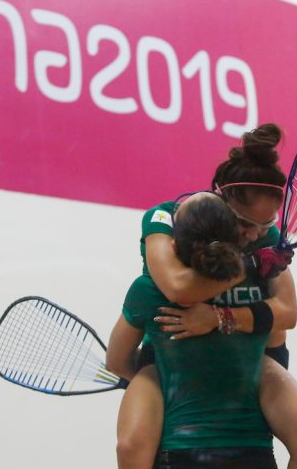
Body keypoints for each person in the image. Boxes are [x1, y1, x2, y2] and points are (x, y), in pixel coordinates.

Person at [107, 124, 297, 469]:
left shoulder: (264, 237)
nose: (254, 234)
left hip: (248, 359)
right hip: (170, 357)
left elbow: (288, 313)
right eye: (244, 224)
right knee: (131, 447)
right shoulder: (166, 219)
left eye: (265, 225)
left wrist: (223, 318)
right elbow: (178, 287)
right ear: (222, 200)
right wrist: (247, 265)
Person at [109, 192, 279, 468]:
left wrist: (163, 382)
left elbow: (116, 360)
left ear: (174, 246)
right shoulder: (256, 273)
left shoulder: (148, 289)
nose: (256, 233)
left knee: (130, 448)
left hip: (216, 405)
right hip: (240, 408)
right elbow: (282, 325)